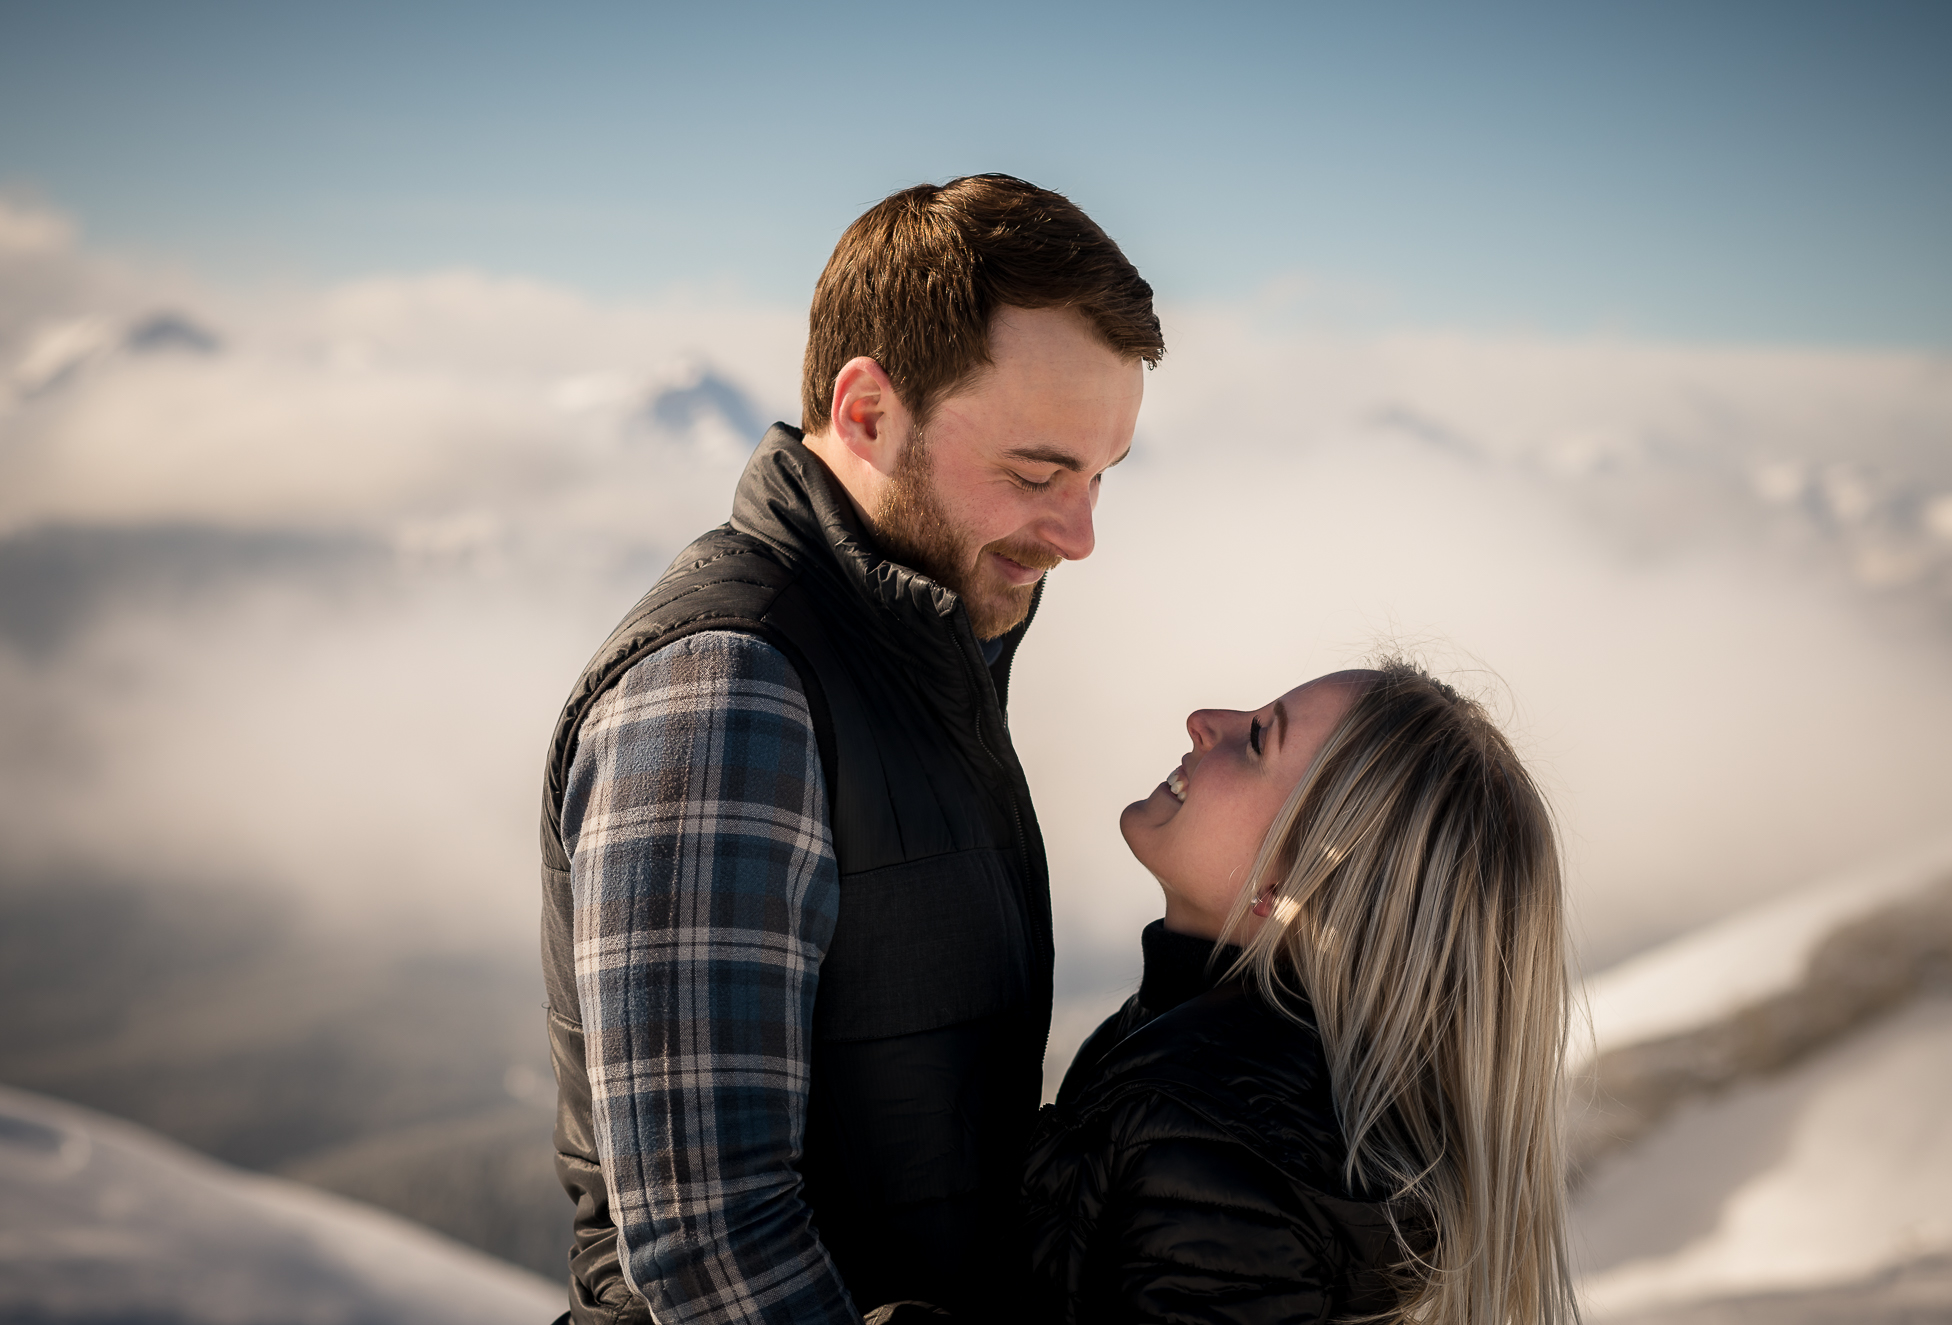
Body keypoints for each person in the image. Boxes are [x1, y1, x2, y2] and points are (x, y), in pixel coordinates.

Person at [537, 175, 1163, 1325]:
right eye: (1036, 472)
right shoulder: (728, 684)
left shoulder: (916, 642)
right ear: (867, 410)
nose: (1079, 535)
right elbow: (705, 1240)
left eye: (1098, 476)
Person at [1021, 664, 1579, 1325]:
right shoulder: (1213, 1084)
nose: (1205, 721)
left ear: (1290, 891)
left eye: (1258, 740)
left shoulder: (1218, 1143)